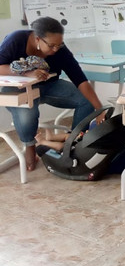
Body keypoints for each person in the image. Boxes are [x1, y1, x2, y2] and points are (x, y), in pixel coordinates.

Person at [0, 17, 106, 172]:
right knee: (27, 112)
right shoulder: (16, 40)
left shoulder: (60, 50)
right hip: (19, 87)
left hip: (50, 85)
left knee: (86, 101)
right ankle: (30, 145)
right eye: (51, 45)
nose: (55, 49)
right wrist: (27, 72)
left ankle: (72, 142)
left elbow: (80, 80)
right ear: (37, 39)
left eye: (59, 44)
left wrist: (99, 108)